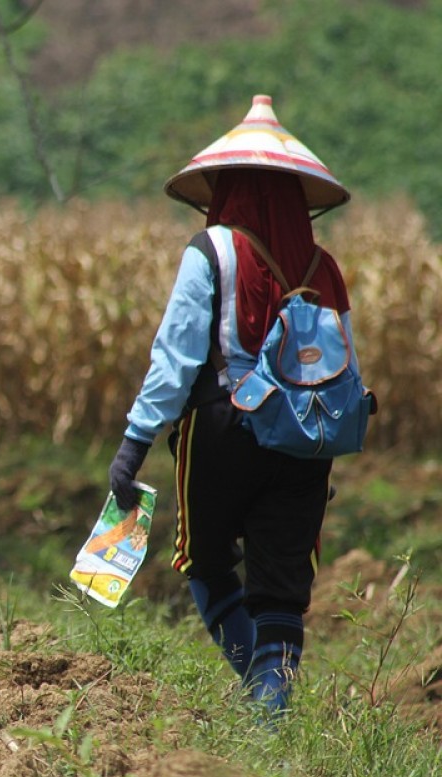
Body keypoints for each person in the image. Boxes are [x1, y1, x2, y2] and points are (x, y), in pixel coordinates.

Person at [108, 95, 366, 714]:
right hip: (307, 432)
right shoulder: (322, 264)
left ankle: (261, 701)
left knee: (205, 562)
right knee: (281, 588)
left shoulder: (213, 250)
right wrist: (317, 451)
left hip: (223, 425)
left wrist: (134, 445)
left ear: (225, 187)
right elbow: (346, 366)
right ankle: (273, 712)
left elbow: (175, 361)